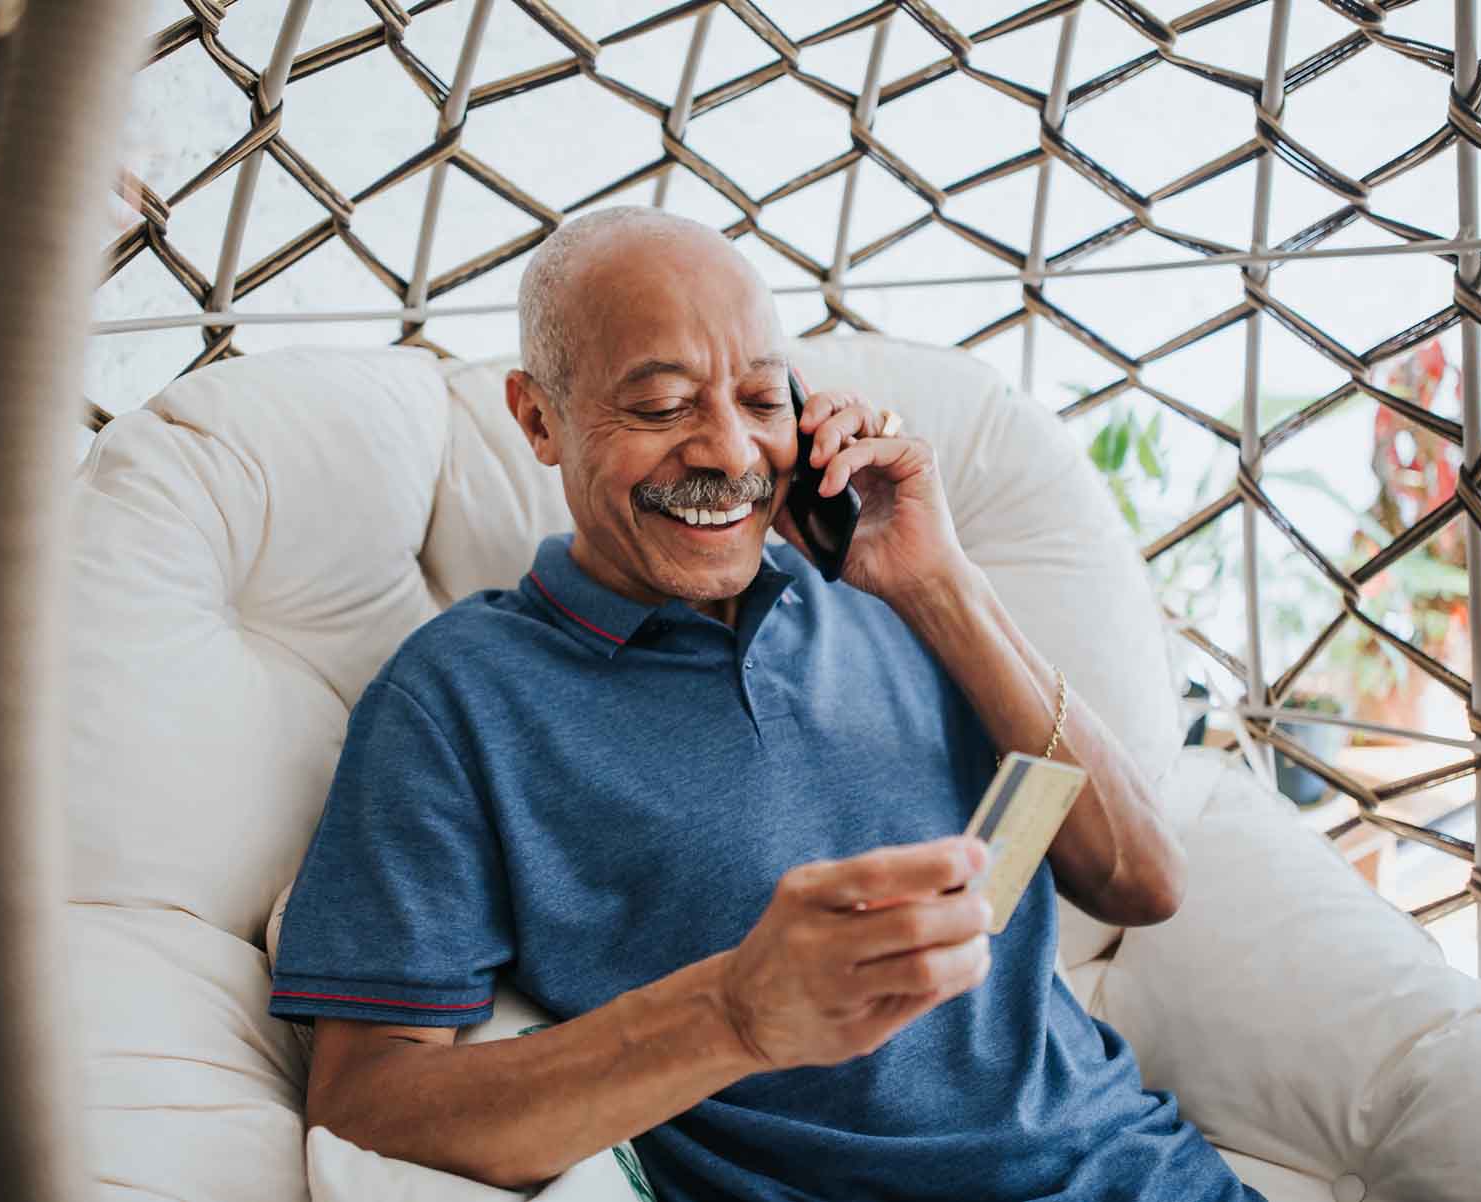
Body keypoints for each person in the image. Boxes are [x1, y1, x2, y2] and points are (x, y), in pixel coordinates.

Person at [270, 206, 1262, 1201]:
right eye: (660, 408)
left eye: (759, 398)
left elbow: (1143, 879)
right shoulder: (458, 696)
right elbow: (366, 1106)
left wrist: (937, 584)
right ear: (538, 418)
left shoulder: (890, 596)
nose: (728, 451)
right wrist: (730, 1012)